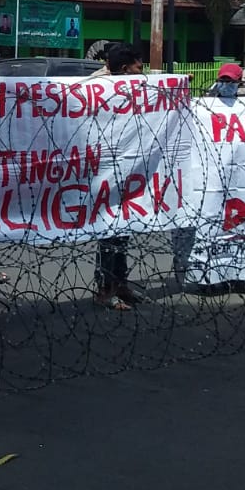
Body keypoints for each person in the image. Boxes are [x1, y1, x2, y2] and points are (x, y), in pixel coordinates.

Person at [89, 43, 146, 311]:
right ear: (125, 69)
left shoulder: (133, 88)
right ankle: (105, 288)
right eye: (139, 67)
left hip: (127, 168)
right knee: (110, 233)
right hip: (105, 170)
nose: (142, 72)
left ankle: (120, 284)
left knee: (122, 232)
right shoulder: (97, 88)